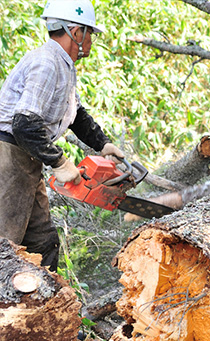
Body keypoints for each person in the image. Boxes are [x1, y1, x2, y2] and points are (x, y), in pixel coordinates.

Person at [0, 0, 124, 272]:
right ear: (76, 32)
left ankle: (45, 304)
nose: (91, 39)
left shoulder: (64, 65)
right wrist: (60, 162)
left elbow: (75, 114)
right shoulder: (46, 63)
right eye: (89, 32)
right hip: (9, 156)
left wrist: (103, 144)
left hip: (27, 156)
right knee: (6, 244)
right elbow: (24, 123)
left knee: (42, 241)